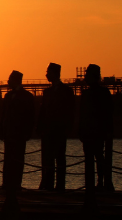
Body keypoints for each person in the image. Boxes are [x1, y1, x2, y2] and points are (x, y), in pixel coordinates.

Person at [0, 70, 35, 213]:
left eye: (10, 79)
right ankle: (7, 183)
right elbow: (4, 115)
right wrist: (1, 130)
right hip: (9, 133)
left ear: (16, 80)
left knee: (18, 160)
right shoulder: (8, 96)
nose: (8, 82)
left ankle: (16, 184)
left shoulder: (27, 97)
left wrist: (27, 132)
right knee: (8, 159)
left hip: (19, 133)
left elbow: (30, 116)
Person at [79, 64, 113, 207]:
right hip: (93, 131)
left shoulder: (94, 94)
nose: (85, 77)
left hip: (95, 131)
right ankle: (99, 182)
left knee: (97, 157)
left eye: (87, 75)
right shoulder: (100, 93)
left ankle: (100, 182)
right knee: (96, 157)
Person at [37, 63, 74, 191]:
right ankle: (49, 184)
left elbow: (70, 111)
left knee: (59, 158)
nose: (46, 74)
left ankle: (60, 185)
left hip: (59, 130)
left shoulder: (66, 91)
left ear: (55, 73)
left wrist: (67, 127)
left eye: (48, 72)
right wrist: (40, 127)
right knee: (49, 159)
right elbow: (43, 111)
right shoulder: (47, 92)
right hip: (48, 131)